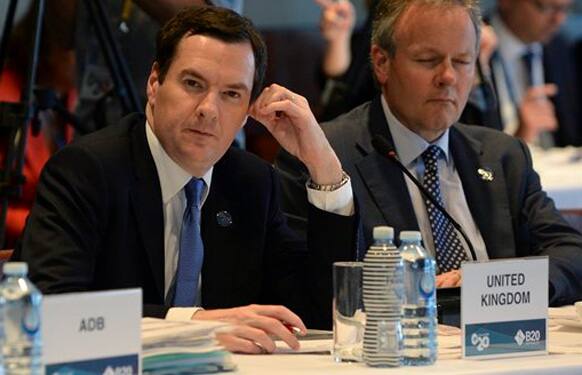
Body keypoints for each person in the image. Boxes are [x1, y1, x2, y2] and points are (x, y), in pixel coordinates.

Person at [13, 6, 357, 354]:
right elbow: (50, 309)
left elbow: (317, 316)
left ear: (246, 114)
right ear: (154, 84)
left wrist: (323, 166)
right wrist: (192, 324)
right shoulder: (87, 171)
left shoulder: (251, 183)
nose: (208, 108)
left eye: (231, 94)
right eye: (193, 84)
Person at [277, 0, 582, 305]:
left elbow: (571, 255)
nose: (448, 76)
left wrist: (498, 281)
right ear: (382, 63)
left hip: (497, 344)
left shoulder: (503, 155)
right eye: (428, 60)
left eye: (462, 61)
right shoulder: (322, 156)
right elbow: (308, 290)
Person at [487, 0, 581, 146]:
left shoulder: (561, 48)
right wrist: (520, 137)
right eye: (547, 7)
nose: (559, 19)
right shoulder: (471, 47)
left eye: (565, 9)